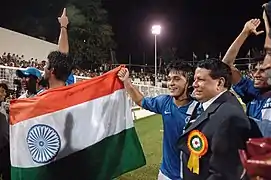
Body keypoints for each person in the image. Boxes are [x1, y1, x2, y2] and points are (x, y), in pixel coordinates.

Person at [118, 61, 198, 180]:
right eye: (169, 79)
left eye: (176, 79)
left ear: (189, 83)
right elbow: (141, 101)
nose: (171, 83)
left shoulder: (199, 109)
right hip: (165, 174)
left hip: (191, 176)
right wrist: (126, 81)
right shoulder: (164, 102)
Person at [178, 59, 251, 180]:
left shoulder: (230, 117)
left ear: (219, 83)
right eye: (195, 79)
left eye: (200, 79)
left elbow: (225, 175)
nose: (194, 84)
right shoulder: (207, 103)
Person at [222, 18, 271, 136]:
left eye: (262, 71)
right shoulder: (252, 91)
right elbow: (226, 65)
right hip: (254, 153)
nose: (256, 74)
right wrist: (245, 33)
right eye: (255, 70)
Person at [0, 80, 10, 180]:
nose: (4, 94)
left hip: (5, 148)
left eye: (5, 91)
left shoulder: (4, 106)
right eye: (2, 91)